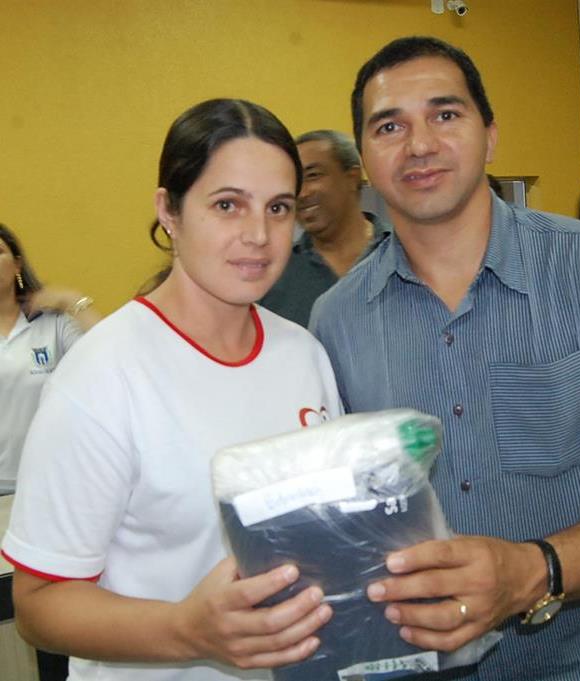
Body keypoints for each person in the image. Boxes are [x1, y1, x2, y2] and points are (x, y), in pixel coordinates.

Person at [309, 36, 580, 680]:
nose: (419, 144)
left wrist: (533, 570)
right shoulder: (336, 319)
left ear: (490, 135)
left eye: (446, 114)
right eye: (389, 126)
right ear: (364, 158)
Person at [2, 99, 342, 681]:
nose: (259, 235)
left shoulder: (304, 354)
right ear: (170, 211)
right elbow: (38, 605)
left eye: (278, 208)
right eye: (228, 205)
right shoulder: (102, 375)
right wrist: (188, 630)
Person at [0, 223, 100, 494]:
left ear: (17, 264)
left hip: (46, 484)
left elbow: (112, 357)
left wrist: (73, 301)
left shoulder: (53, 323)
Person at [260, 129, 389, 326]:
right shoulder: (272, 276)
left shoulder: (405, 256)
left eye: (313, 175)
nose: (302, 193)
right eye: (294, 182)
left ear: (352, 177)